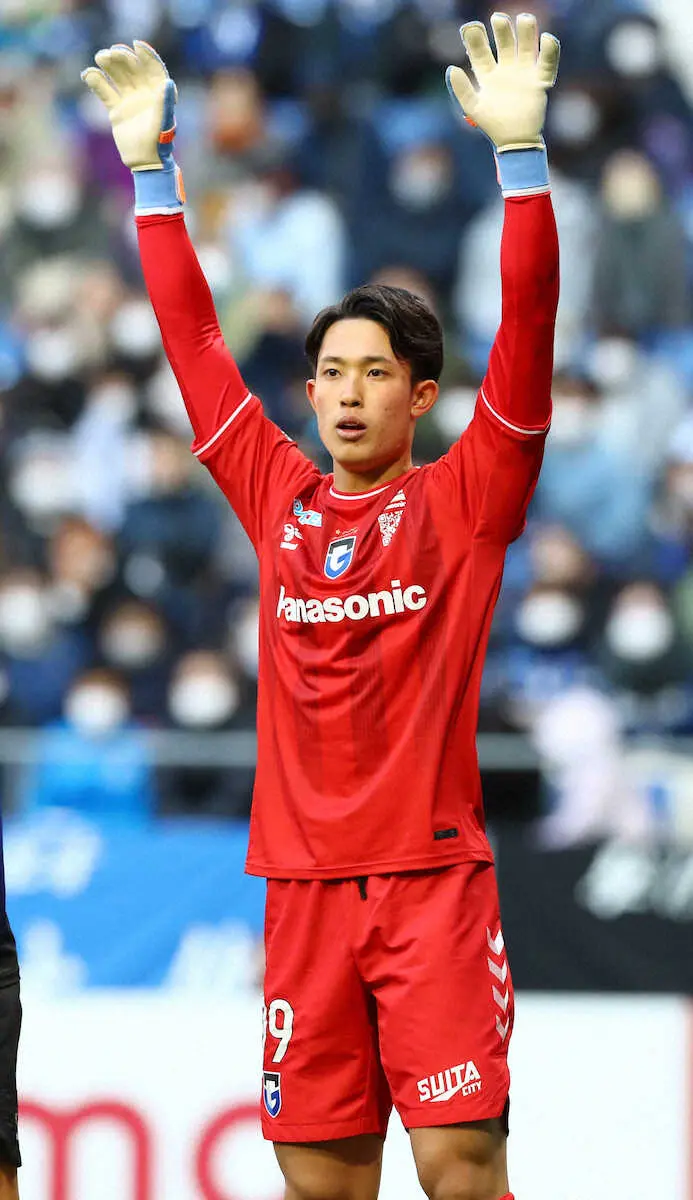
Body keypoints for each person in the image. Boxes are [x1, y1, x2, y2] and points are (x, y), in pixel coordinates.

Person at [82, 14, 560, 1200]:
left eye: (374, 373)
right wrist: (152, 176)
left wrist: (521, 162)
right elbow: (195, 342)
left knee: (460, 1170)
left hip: (433, 888)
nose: (346, 394)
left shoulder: (468, 499)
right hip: (301, 893)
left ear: (422, 396)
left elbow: (530, 330)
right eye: (331, 373)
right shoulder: (277, 496)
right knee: (318, 1186)